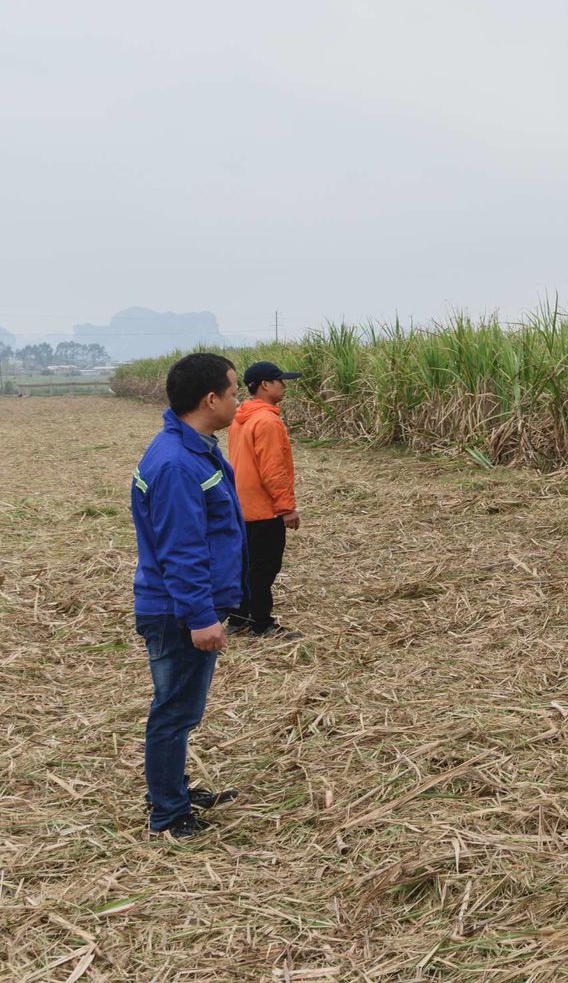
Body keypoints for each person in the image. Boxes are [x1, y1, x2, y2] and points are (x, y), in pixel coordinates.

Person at [130, 352, 245, 839]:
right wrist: (201, 616)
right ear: (210, 398)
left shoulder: (190, 448)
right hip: (176, 611)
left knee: (177, 709)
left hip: (178, 605)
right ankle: (169, 814)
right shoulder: (178, 464)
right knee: (174, 712)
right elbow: (182, 551)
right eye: (235, 391)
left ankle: (170, 788)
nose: (239, 400)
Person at [225, 360, 303, 639]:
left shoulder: (239, 418)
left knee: (245, 566)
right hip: (264, 510)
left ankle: (238, 618)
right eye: (280, 380)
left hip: (242, 507)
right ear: (265, 385)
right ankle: (261, 623)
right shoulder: (268, 421)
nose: (284, 386)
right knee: (263, 569)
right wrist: (286, 508)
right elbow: (273, 470)